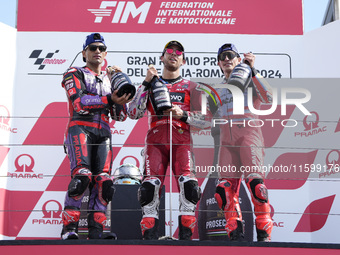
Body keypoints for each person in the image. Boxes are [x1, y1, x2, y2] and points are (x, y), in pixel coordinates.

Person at [128, 41, 210, 240]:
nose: (173, 54)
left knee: (189, 187)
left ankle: (185, 239)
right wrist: (146, 83)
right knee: (149, 188)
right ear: (161, 57)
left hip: (182, 140)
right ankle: (150, 239)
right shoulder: (151, 83)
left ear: (183, 60)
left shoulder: (192, 87)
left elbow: (207, 121)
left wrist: (182, 114)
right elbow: (132, 112)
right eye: (169, 51)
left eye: (178, 52)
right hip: (155, 140)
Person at [60, 33, 132, 240]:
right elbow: (79, 104)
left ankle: (97, 232)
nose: (97, 51)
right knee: (82, 177)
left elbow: (121, 116)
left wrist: (121, 96)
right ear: (84, 53)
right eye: (92, 48)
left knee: (104, 182)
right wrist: (110, 98)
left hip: (104, 132)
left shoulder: (112, 79)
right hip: (79, 129)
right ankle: (69, 230)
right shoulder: (73, 73)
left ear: (106, 53)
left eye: (101, 48)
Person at [213, 43, 273, 242]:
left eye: (231, 55)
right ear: (219, 63)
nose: (227, 59)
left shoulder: (250, 80)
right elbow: (205, 119)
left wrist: (253, 70)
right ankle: (235, 233)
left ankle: (264, 233)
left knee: (256, 186)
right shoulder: (218, 89)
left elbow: (269, 97)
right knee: (224, 190)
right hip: (226, 142)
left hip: (249, 136)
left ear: (239, 60)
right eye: (223, 57)